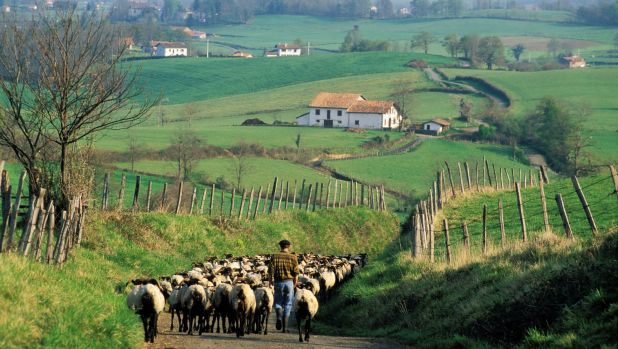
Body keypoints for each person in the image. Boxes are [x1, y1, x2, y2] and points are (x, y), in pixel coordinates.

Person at [269, 239, 299, 333]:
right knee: (288, 304)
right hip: (289, 282)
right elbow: (296, 272)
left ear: (280, 246)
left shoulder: (274, 256)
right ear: (289, 246)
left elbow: (270, 271)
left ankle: (278, 317)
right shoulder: (293, 257)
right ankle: (285, 328)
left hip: (278, 282)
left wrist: (270, 281)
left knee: (277, 302)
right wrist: (295, 283)